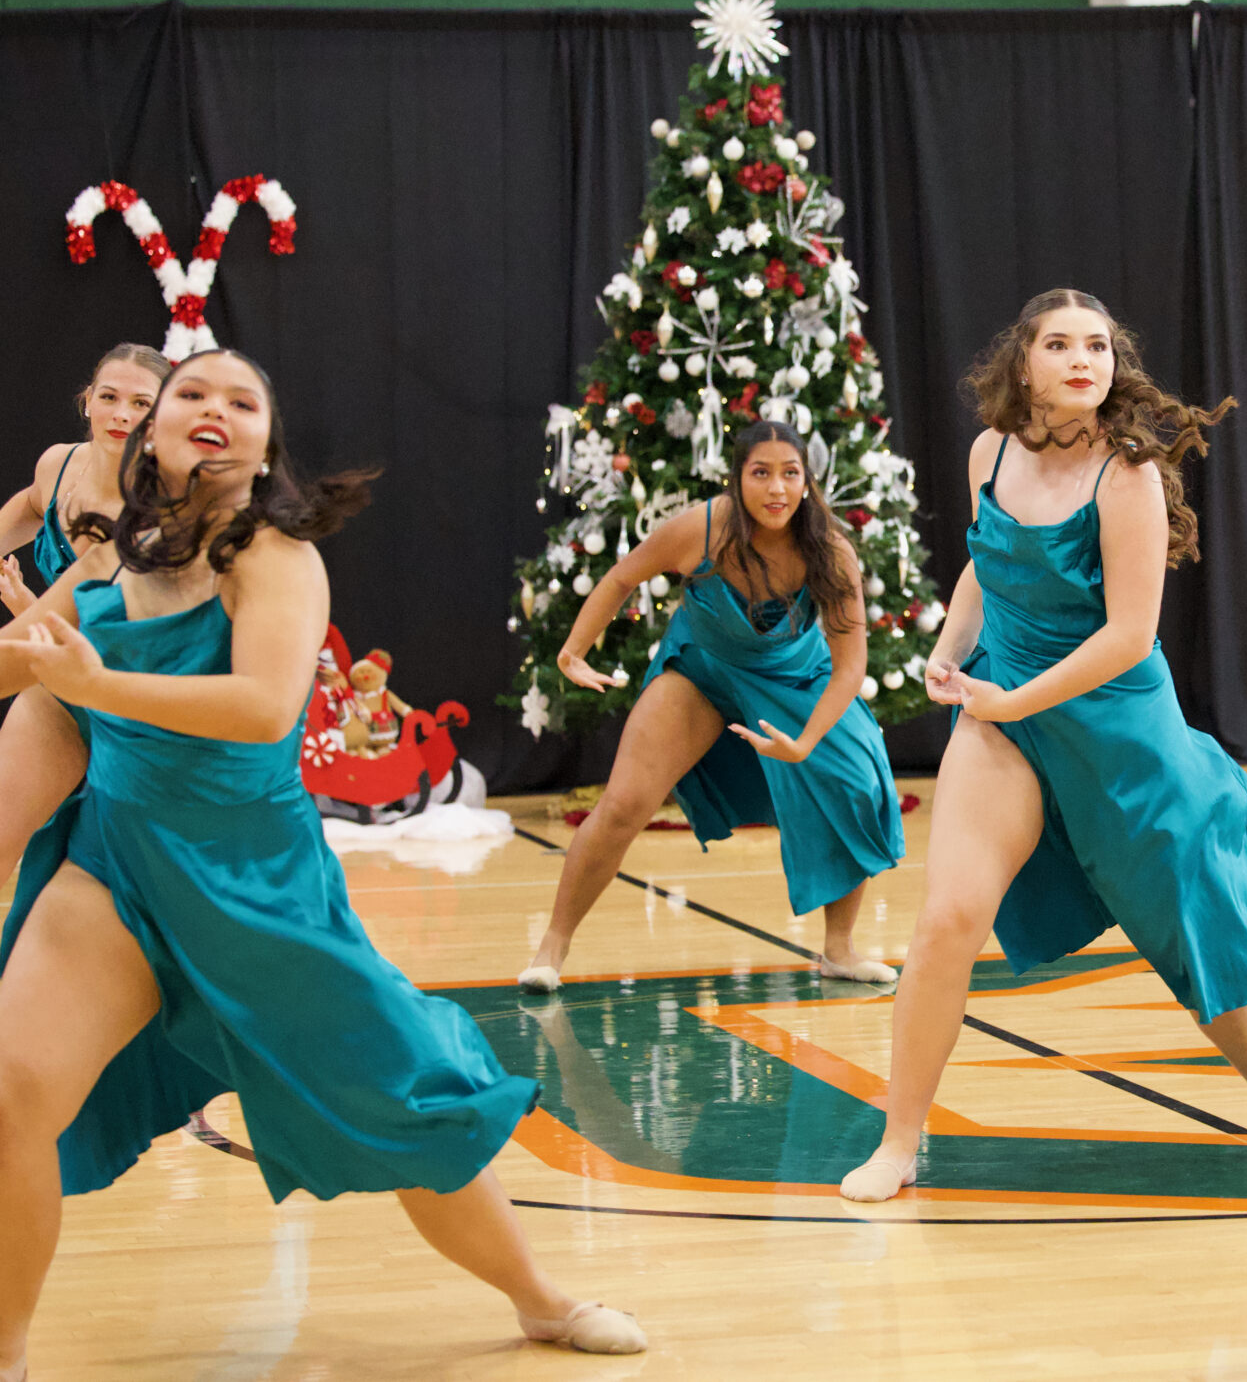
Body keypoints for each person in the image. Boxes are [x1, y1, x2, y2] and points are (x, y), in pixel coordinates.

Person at [0, 350, 645, 1379]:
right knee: (11, 1091)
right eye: (192, 393)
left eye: (240, 400)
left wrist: (96, 684)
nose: (213, 408)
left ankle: (540, 1299)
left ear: (265, 450)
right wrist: (35, 652)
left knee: (401, 1104)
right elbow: (26, 658)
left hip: (258, 892)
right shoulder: (117, 556)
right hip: (117, 868)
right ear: (152, 432)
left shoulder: (276, 557)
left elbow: (262, 710)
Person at [838, 289, 1247, 1203]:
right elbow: (988, 564)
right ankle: (899, 1139)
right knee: (947, 918)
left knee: (1188, 920)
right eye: (1061, 344)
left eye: (1098, 346)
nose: (1082, 359)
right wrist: (950, 652)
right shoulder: (990, 452)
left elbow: (1128, 635)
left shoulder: (1127, 477)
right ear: (1022, 363)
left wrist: (1013, 695)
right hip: (1005, 709)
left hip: (1119, 723)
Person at [518, 419, 904, 991]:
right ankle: (552, 947)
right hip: (703, 671)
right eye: (761, 473)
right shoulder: (703, 529)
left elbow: (850, 667)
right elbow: (623, 577)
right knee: (625, 804)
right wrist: (573, 651)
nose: (777, 488)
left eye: (790, 474)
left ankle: (839, 950)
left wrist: (806, 742)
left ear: (807, 481)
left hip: (795, 678)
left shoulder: (830, 550)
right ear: (737, 478)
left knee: (858, 781)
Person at [0, 345, 168, 893]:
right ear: (87, 400)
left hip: (143, 706)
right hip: (58, 692)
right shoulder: (59, 465)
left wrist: (29, 610)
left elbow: (120, 630)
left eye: (141, 403)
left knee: (139, 886)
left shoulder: (171, 502)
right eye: (109, 397)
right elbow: (31, 506)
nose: (121, 414)